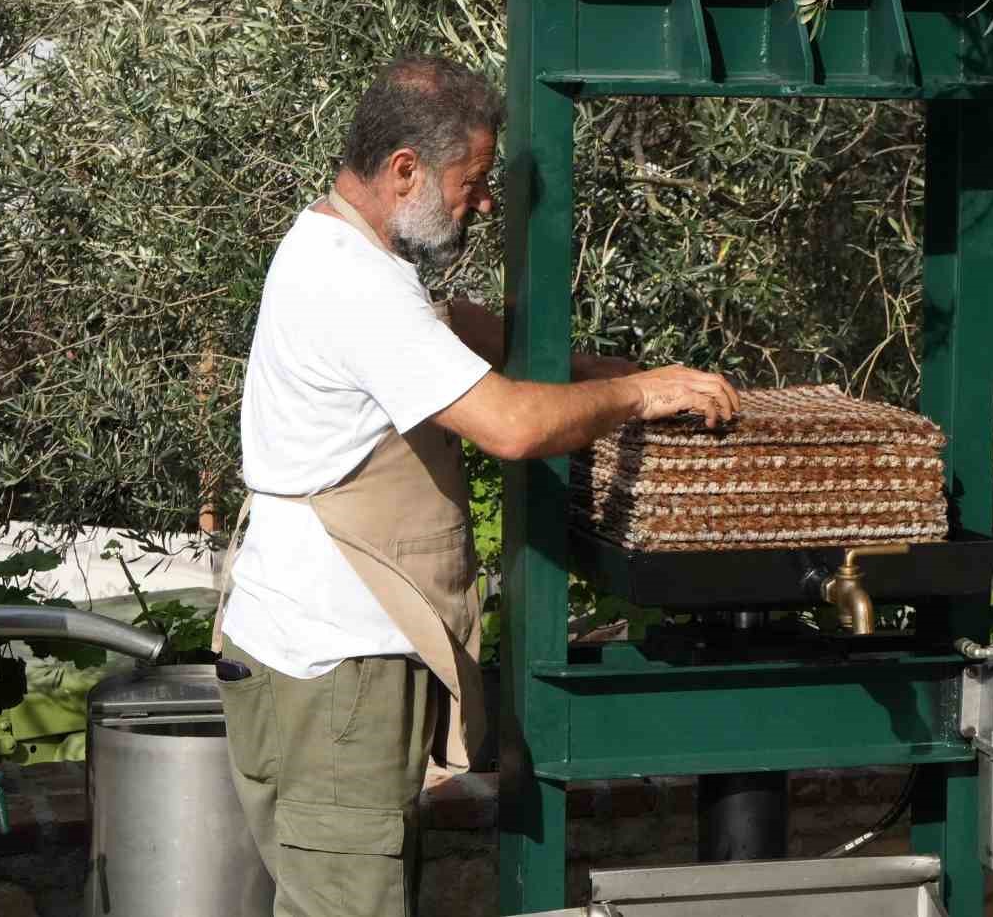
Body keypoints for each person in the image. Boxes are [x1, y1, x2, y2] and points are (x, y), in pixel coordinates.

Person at [210, 54, 738, 917]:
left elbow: (449, 327)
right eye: (473, 182)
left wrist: (592, 369)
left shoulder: (343, 249)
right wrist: (641, 394)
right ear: (405, 170)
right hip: (335, 669)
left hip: (324, 661)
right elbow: (513, 427)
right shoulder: (352, 285)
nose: (485, 203)